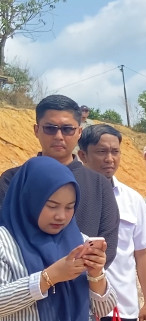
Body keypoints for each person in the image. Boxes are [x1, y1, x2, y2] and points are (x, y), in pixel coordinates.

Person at [0, 156, 116, 321]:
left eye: (69, 207)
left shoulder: (80, 241)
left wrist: (96, 275)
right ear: (29, 198)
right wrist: (49, 276)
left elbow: (104, 307)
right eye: (51, 206)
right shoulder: (5, 242)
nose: (61, 216)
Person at [0, 94, 119, 269]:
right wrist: (46, 278)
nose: (58, 136)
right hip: (26, 284)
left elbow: (106, 246)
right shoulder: (12, 180)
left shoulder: (99, 184)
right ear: (36, 130)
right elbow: (6, 237)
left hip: (81, 285)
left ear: (79, 132)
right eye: (50, 128)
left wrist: (74, 272)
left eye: (67, 129)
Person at [77, 124, 146, 321]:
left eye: (115, 152)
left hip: (120, 310)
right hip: (76, 308)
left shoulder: (132, 199)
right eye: (102, 152)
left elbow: (144, 252)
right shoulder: (67, 196)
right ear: (82, 155)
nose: (110, 158)